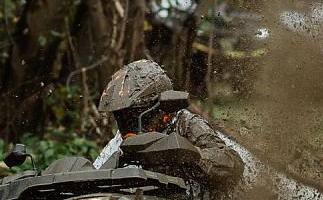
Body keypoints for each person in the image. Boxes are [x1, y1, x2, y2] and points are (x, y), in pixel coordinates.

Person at [92, 59, 244, 190]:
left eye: (133, 114)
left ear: (160, 108)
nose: (127, 123)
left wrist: (190, 154)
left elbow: (232, 164)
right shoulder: (121, 139)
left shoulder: (186, 124)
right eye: (121, 116)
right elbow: (97, 173)